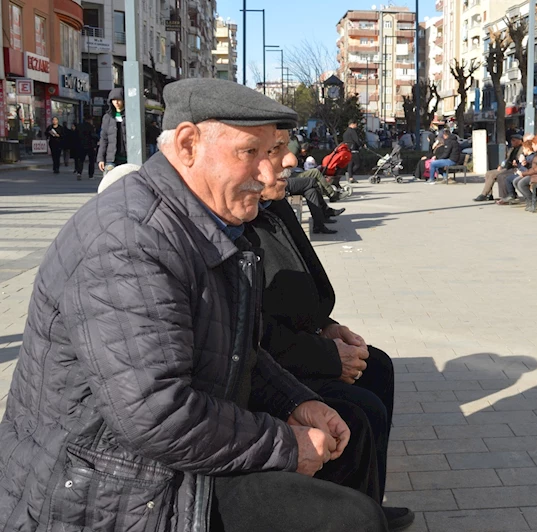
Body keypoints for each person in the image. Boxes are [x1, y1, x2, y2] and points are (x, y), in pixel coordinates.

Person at [0, 78, 391, 532]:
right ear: (187, 145)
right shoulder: (130, 239)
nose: (273, 173)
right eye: (254, 152)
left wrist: (298, 402)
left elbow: (237, 347)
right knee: (348, 519)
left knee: (346, 459)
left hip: (155, 460)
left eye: (278, 150)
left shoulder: (205, 222)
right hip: (107, 487)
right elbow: (155, 413)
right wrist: (286, 445)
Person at [251, 130, 414, 532]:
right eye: (276, 151)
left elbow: (308, 288)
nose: (291, 161)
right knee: (358, 413)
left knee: (377, 366)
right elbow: (253, 334)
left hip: (296, 346)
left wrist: (330, 327)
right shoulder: (232, 224)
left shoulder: (274, 207)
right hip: (273, 366)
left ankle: (368, 505)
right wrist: (325, 356)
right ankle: (352, 512)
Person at [473, 134, 523, 201]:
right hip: (507, 167)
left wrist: (516, 162)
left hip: (514, 168)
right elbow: (506, 159)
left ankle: (484, 194)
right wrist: (501, 165)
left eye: (514, 140)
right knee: (488, 173)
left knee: (494, 175)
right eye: (511, 140)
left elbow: (521, 160)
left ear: (520, 141)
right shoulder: (512, 149)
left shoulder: (521, 149)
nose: (512, 142)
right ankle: (489, 194)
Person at [98, 87, 127, 175]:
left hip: (128, 158)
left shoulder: (130, 114)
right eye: (114, 100)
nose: (116, 103)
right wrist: (101, 158)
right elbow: (103, 139)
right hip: (111, 159)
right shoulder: (107, 117)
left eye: (119, 100)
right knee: (110, 185)